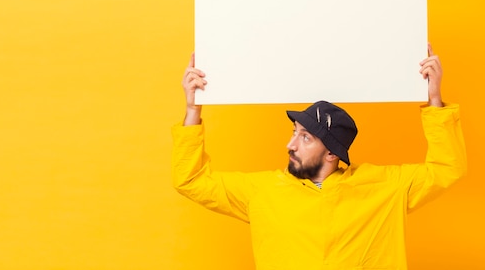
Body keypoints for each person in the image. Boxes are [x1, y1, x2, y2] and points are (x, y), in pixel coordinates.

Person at [171, 46, 466, 270]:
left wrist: (435, 99)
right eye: (294, 132)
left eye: (305, 137)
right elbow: (191, 180)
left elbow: (446, 167)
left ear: (331, 153)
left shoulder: (385, 187)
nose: (290, 144)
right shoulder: (261, 191)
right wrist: (193, 109)